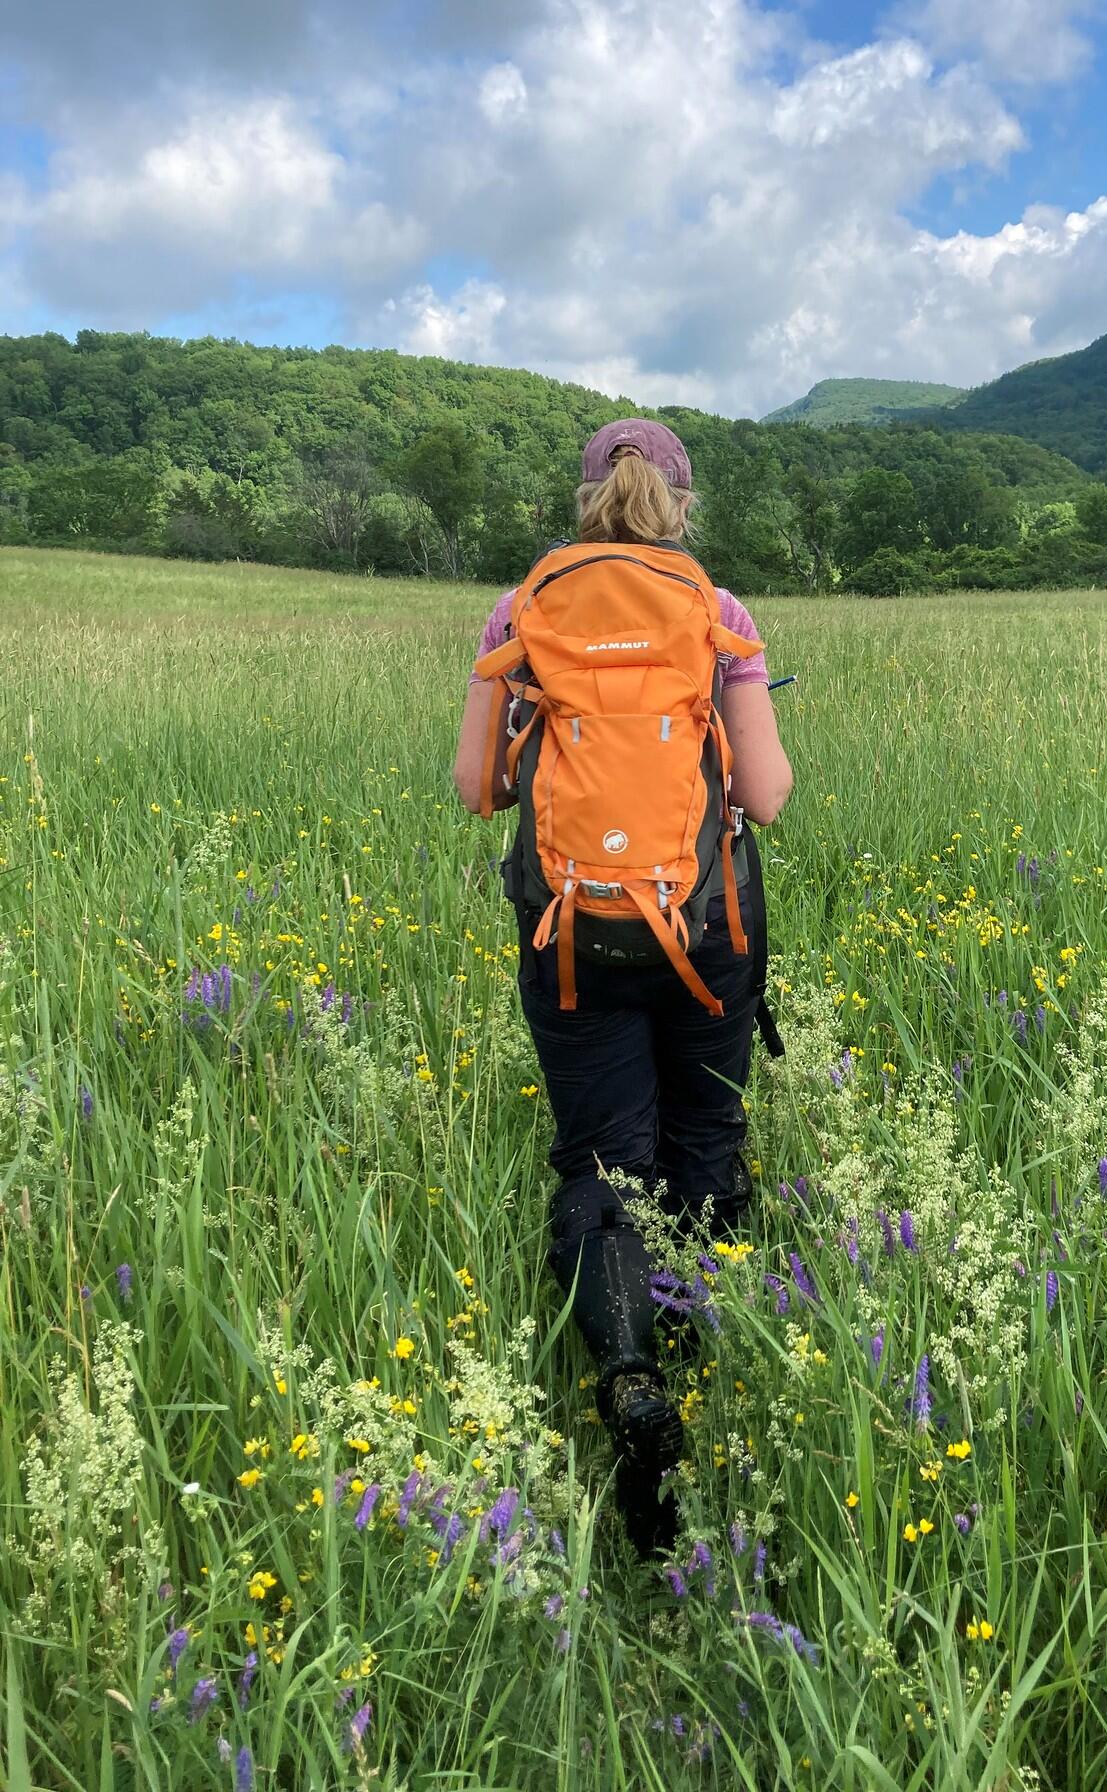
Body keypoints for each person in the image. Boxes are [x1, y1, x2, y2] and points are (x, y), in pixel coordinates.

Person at [453, 417, 793, 1553]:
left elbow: (476, 790)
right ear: (680, 503)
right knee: (705, 1143)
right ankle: (706, 1374)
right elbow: (771, 792)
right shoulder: (722, 612)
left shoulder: (520, 609)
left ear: (588, 495)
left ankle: (631, 1373)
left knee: (605, 1163)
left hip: (567, 934)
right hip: (707, 932)